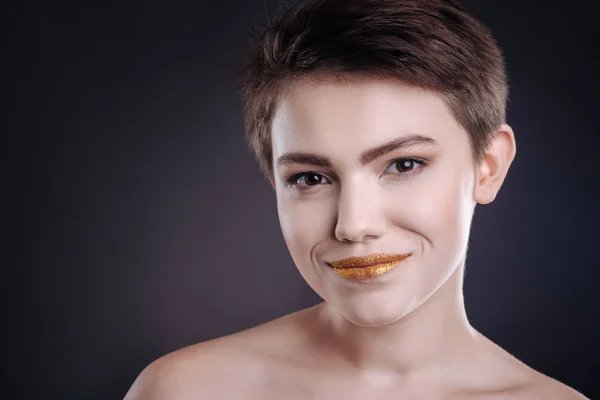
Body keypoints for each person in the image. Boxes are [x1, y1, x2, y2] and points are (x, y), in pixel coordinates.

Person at [124, 0, 588, 398]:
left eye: (403, 165)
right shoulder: (190, 390)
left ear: (488, 166)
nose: (353, 224)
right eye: (310, 177)